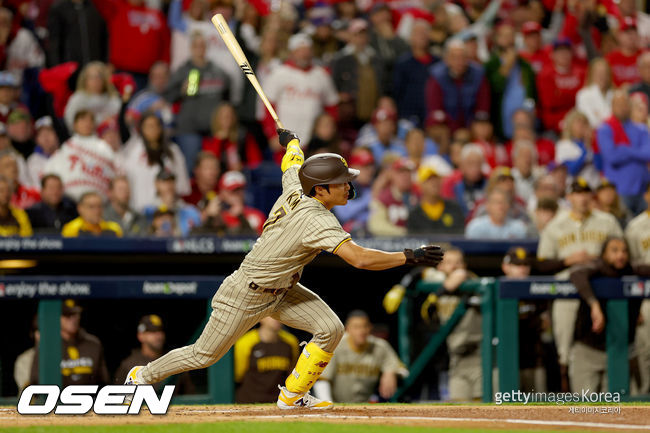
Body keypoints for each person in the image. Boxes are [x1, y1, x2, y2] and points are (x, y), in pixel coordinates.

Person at [122, 128, 444, 410]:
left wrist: (292, 142)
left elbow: (292, 163)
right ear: (320, 189)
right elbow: (359, 258)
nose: (348, 186)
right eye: (341, 183)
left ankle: (292, 396)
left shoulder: (296, 185)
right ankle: (141, 376)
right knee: (203, 355)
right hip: (246, 293)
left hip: (283, 290)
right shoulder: (316, 218)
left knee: (331, 329)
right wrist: (408, 256)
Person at [537, 178, 623, 391]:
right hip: (568, 294)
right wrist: (568, 260)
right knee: (564, 353)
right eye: (577, 193)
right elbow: (542, 264)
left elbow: (622, 252)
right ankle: (571, 403)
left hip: (604, 293)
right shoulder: (555, 225)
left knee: (614, 344)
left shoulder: (607, 221)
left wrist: (600, 260)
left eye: (585, 193)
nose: (582, 198)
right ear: (568, 197)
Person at [569, 237, 650, 392]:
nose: (620, 255)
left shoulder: (631, 269)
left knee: (621, 409)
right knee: (584, 409)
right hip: (588, 351)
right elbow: (576, 274)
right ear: (604, 254)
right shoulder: (596, 268)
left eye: (624, 251)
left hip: (619, 353)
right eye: (614, 251)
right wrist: (594, 305)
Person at [164, 31, 231, 172]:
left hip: (212, 130)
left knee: (213, 169)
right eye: (196, 46)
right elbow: (167, 96)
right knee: (190, 168)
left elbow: (227, 96)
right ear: (191, 48)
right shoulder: (183, 70)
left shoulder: (218, 71)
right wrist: (181, 91)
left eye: (202, 45)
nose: (200, 49)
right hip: (189, 128)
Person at [315, 310, 406, 403]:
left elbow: (403, 371)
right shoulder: (335, 345)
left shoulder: (380, 346)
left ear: (370, 328)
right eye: (356, 327)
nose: (361, 331)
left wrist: (391, 371)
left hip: (366, 405)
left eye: (365, 326)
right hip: (336, 404)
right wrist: (326, 404)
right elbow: (321, 380)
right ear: (347, 329)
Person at [264, 33, 338, 146]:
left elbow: (332, 106)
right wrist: (272, 135)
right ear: (292, 52)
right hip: (286, 140)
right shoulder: (279, 73)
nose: (304, 54)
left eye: (307, 50)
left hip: (315, 141)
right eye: (300, 51)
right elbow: (268, 107)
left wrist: (329, 129)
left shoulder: (321, 74)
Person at [119, 112, 190, 212]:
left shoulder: (172, 151)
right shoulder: (132, 151)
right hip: (140, 208)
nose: (153, 129)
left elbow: (181, 185)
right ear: (141, 129)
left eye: (156, 125)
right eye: (148, 126)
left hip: (168, 209)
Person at [30, 299, 110, 386]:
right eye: (67, 315)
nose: (72, 319)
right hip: (57, 398)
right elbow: (35, 381)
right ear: (57, 317)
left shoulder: (93, 344)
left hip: (89, 398)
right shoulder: (47, 345)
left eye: (75, 314)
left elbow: (103, 381)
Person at [93, 0, 170, 90]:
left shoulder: (157, 14)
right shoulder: (117, 8)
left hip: (150, 76)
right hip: (122, 72)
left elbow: (166, 43)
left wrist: (164, 65)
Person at [501, 247, 548, 393]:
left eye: (525, 265)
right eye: (517, 265)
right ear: (506, 267)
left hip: (533, 359)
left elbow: (546, 324)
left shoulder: (538, 292)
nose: (522, 269)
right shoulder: (496, 290)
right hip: (504, 361)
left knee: (539, 406)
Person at [44, 109, 116, 202]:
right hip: (69, 202)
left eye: (90, 120)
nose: (86, 123)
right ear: (74, 125)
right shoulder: (67, 147)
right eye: (82, 120)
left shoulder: (104, 148)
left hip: (99, 204)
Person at [597, 91, 650, 216]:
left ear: (630, 106)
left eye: (625, 104)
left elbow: (648, 154)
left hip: (643, 190)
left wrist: (624, 149)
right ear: (612, 107)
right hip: (619, 192)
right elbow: (611, 157)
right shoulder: (605, 129)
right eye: (618, 105)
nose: (622, 108)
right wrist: (636, 152)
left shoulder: (641, 129)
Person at [114, 315, 194, 393]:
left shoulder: (174, 361)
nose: (158, 336)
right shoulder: (129, 365)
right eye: (152, 332)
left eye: (160, 331)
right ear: (141, 336)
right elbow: (118, 399)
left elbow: (190, 396)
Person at [484, 22, 536, 140]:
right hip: (502, 123)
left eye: (512, 36)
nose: (510, 40)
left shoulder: (524, 65)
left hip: (526, 120)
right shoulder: (491, 64)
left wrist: (530, 108)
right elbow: (493, 89)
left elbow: (531, 94)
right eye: (505, 36)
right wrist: (507, 65)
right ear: (497, 39)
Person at [425, 39, 490, 133]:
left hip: (472, 125)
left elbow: (483, 107)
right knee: (438, 130)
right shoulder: (436, 77)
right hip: (446, 125)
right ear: (447, 59)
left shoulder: (478, 75)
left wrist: (472, 127)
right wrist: (454, 129)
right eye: (455, 58)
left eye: (462, 57)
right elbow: (435, 110)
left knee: (482, 128)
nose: (459, 61)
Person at [332, 18, 385, 124]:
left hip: (372, 110)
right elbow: (333, 83)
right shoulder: (340, 59)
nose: (361, 38)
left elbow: (383, 83)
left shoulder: (376, 58)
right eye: (357, 34)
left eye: (363, 35)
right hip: (350, 113)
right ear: (350, 36)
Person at [234, 317, 299, 403]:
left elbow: (292, 373)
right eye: (272, 315)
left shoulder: (291, 342)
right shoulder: (245, 342)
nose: (277, 318)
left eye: (280, 314)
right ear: (261, 317)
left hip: (279, 401)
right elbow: (238, 375)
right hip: (250, 401)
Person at [625, 182, 650, 394]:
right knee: (645, 349)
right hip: (645, 296)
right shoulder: (635, 226)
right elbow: (628, 266)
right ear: (647, 195)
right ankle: (643, 395)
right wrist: (635, 307)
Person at [392, 19, 437, 127]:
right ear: (411, 37)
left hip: (432, 117)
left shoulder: (438, 63)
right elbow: (397, 92)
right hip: (408, 117)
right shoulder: (402, 63)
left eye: (424, 32)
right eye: (417, 33)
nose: (421, 36)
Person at [536, 38, 585, 133]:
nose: (563, 54)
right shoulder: (545, 74)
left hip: (577, 119)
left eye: (566, 51)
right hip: (553, 125)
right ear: (553, 55)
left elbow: (583, 98)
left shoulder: (581, 73)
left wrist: (560, 94)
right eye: (559, 51)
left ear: (571, 53)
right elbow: (549, 102)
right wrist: (573, 95)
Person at [194, 171, 265, 236]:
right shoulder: (217, 216)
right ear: (222, 193)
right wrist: (210, 216)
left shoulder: (256, 216)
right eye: (233, 190)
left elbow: (258, 242)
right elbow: (199, 238)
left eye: (240, 189)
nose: (238, 194)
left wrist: (241, 217)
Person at [63, 62, 122, 134]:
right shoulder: (78, 99)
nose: (95, 80)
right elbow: (70, 120)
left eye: (99, 77)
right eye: (91, 77)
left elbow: (117, 117)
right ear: (85, 80)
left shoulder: (113, 98)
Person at [46, 0, 108, 67]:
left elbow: (104, 38)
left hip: (94, 68)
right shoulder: (59, 8)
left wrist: (106, 62)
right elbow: (54, 43)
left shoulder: (95, 7)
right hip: (70, 68)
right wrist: (56, 69)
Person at [407, 165, 464, 235]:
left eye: (436, 179)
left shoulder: (454, 208)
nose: (434, 182)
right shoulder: (414, 215)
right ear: (420, 186)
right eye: (428, 180)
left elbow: (461, 237)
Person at [368, 158, 416, 237]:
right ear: (392, 174)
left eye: (408, 172)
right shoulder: (383, 198)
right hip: (389, 244)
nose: (405, 176)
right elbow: (376, 226)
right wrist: (405, 233)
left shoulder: (418, 195)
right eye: (401, 172)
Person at [143, 171, 201, 237]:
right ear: (156, 184)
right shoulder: (148, 210)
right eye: (164, 181)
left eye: (171, 181)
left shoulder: (188, 210)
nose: (168, 185)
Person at [333, 147, 375, 235]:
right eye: (365, 166)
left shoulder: (367, 187)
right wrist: (369, 199)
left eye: (371, 166)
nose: (370, 171)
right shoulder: (342, 184)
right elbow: (344, 214)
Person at [575, 58, 613, 128]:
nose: (602, 76)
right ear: (591, 75)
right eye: (599, 73)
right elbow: (590, 121)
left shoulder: (616, 95)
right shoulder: (583, 95)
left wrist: (599, 115)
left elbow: (620, 120)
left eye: (605, 73)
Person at [26, 117, 60, 187]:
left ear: (56, 135)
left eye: (49, 132)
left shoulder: (66, 154)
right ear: (37, 140)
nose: (45, 137)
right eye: (41, 134)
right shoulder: (32, 161)